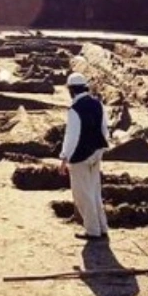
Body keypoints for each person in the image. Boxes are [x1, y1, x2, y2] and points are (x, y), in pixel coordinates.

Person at [58, 72, 111, 241]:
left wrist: (64, 158)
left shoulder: (75, 109)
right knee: (95, 191)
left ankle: (92, 231)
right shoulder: (98, 104)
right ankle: (102, 227)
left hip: (81, 156)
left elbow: (71, 136)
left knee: (82, 195)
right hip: (97, 152)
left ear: (72, 90)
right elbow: (105, 129)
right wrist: (100, 149)